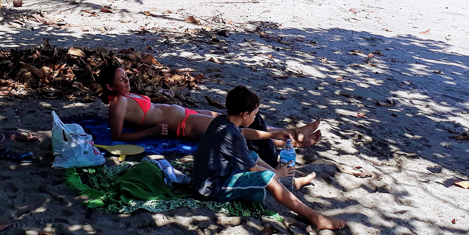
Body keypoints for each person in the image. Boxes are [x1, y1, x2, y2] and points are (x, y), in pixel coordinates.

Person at [191, 85, 346, 232]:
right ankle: (314, 217)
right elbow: (253, 168)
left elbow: (244, 132)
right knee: (269, 176)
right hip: (211, 188)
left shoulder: (222, 121)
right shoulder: (232, 137)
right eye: (254, 114)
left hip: (211, 177)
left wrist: (274, 134)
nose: (255, 117)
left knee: (252, 155)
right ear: (245, 114)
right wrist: (276, 172)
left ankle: (290, 183)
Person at [98, 65, 321, 150]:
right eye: (121, 80)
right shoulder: (118, 102)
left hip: (187, 115)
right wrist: (151, 132)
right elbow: (117, 135)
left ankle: (292, 132)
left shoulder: (125, 95)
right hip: (184, 125)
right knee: (234, 131)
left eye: (126, 77)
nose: (127, 82)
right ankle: (290, 141)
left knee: (232, 119)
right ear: (109, 86)